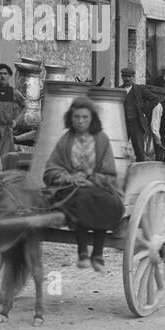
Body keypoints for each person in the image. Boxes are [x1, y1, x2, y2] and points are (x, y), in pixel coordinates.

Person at [43, 96, 123, 272]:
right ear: (70, 118)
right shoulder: (66, 140)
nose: (80, 121)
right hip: (70, 190)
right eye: (76, 117)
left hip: (98, 187)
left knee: (107, 203)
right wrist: (68, 178)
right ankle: (82, 252)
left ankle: (98, 253)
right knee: (81, 198)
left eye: (84, 117)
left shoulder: (102, 140)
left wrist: (90, 179)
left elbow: (109, 173)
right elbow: (50, 169)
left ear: (92, 118)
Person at [0, 63, 21, 158]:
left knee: (6, 158)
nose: (2, 76)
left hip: (7, 131)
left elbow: (24, 106)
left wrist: (16, 120)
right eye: (0, 73)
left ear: (9, 75)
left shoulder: (14, 92)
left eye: (5, 73)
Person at [120, 68, 153, 162]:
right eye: (125, 76)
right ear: (122, 77)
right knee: (119, 148)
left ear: (133, 77)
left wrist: (144, 110)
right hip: (122, 124)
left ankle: (141, 170)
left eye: (129, 77)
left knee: (139, 150)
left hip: (136, 124)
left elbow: (154, 99)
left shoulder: (140, 89)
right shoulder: (118, 90)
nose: (127, 79)